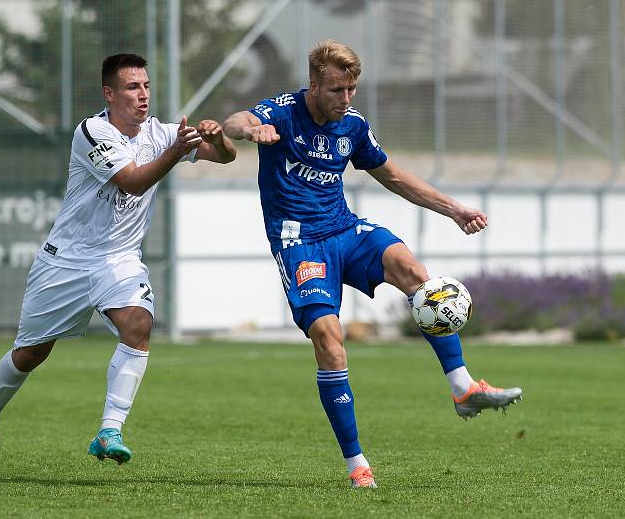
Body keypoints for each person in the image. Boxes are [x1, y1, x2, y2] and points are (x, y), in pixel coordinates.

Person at [223, 40, 521, 489]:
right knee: (329, 338)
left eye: (352, 90)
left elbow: (395, 177)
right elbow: (235, 120)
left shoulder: (353, 126)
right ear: (314, 85)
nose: (346, 99)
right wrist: (249, 131)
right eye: (337, 90)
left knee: (416, 273)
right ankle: (357, 464)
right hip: (300, 243)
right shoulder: (282, 113)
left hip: (345, 230)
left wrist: (454, 209)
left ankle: (463, 388)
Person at [0, 53, 236, 479]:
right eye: (132, 87)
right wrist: (178, 149)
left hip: (118, 261)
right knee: (30, 354)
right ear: (110, 93)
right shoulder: (92, 131)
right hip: (66, 262)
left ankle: (109, 431)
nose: (142, 94)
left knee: (139, 325)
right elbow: (133, 180)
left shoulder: (161, 132)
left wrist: (216, 138)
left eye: (145, 85)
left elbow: (226, 158)